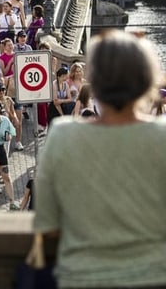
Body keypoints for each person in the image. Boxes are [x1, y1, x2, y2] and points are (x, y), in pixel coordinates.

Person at [34, 30, 166, 289]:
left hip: (81, 278)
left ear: (94, 81)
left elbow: (47, 225)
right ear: (147, 80)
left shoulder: (62, 135)